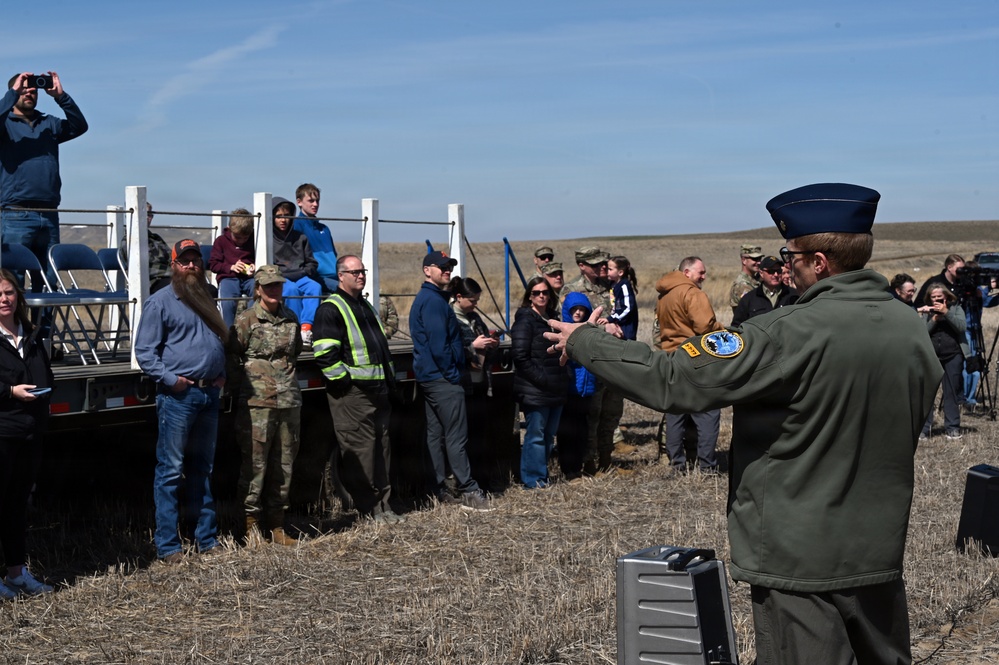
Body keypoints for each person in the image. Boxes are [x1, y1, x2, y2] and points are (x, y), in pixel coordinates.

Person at [545, 183, 942, 665]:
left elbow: (671, 380)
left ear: (818, 262)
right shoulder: (909, 327)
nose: (785, 265)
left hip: (801, 556)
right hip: (878, 547)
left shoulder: (786, 331)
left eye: (789, 254)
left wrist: (587, 342)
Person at [135, 239, 228, 564]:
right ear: (173, 265)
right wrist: (173, 381)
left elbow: (217, 340)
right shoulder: (160, 302)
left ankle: (206, 538)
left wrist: (222, 374)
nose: (191, 266)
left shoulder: (207, 297)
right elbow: (145, 352)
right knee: (171, 470)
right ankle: (168, 546)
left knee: (203, 468)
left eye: (195, 261)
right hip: (179, 397)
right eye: (184, 261)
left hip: (209, 393)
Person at [313, 255, 402, 523]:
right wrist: (345, 382)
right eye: (355, 272)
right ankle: (370, 509)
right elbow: (325, 355)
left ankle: (384, 506)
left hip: (378, 391)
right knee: (360, 454)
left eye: (363, 271)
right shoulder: (331, 308)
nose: (361, 276)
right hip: (354, 396)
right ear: (341, 276)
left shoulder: (364, 306)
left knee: (381, 452)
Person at [409, 251, 491, 510]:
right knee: (456, 436)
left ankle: (438, 488)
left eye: (449, 267)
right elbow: (439, 346)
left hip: (432, 378)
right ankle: (468, 491)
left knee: (436, 435)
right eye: (441, 266)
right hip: (443, 379)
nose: (447, 270)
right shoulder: (433, 302)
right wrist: (453, 375)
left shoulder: (430, 298)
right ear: (427, 270)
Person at [229, 265, 302, 545]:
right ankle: (249, 528)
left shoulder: (290, 318)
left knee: (284, 465)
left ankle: (278, 526)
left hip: (288, 401)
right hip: (256, 404)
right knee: (254, 466)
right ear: (258, 289)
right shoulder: (246, 320)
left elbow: (295, 355)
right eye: (269, 286)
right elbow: (233, 357)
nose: (275, 291)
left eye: (278, 286)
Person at [1, 72, 88, 288]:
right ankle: (15, 323)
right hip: (15, 213)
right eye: (25, 88)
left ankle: (45, 324)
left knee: (50, 280)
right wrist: (13, 93)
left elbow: (79, 126)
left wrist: (60, 96)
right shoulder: (4, 125)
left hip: (49, 214)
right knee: (13, 280)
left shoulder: (49, 123)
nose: (30, 92)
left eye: (34, 90)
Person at [0, 269, 54, 597]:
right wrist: (9, 392)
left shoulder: (30, 333)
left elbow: (45, 372)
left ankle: (16, 574)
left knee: (17, 505)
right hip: (2, 431)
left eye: (8, 292)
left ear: (17, 296)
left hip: (30, 431)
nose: (4, 300)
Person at [654, 256, 724, 473]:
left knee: (675, 414)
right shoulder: (692, 292)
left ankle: (677, 464)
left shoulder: (664, 295)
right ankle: (707, 467)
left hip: (670, 359)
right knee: (708, 412)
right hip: (695, 358)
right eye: (700, 272)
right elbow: (706, 327)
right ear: (686, 272)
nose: (704, 277)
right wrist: (724, 330)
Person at [561, 246, 623, 474]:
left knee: (612, 412)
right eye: (595, 264)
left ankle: (607, 460)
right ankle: (588, 461)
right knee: (591, 416)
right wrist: (602, 326)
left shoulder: (611, 288)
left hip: (613, 361)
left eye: (603, 263)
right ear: (582, 266)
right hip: (590, 363)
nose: (601, 267)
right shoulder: (572, 290)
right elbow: (570, 324)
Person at [511, 276, 567, 488]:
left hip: (556, 387)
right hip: (536, 389)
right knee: (535, 435)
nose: (541, 296)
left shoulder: (553, 319)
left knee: (548, 435)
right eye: (536, 293)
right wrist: (542, 379)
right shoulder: (525, 320)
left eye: (545, 292)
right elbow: (520, 356)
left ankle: (541, 475)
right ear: (529, 296)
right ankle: (533, 480)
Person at [555, 293, 599, 481]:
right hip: (568, 391)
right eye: (574, 309)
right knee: (567, 432)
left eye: (582, 310)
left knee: (582, 431)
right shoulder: (561, 332)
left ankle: (578, 467)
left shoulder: (591, 332)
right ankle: (568, 469)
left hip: (585, 390)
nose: (578, 313)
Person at [917, 284, 966, 440]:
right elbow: (921, 332)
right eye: (934, 297)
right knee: (927, 393)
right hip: (931, 356)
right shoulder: (927, 311)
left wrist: (947, 313)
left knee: (951, 392)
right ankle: (924, 428)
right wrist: (934, 319)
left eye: (940, 297)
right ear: (929, 298)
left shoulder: (955, 308)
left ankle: (952, 427)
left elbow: (962, 327)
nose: (937, 300)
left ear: (946, 296)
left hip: (952, 355)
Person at [272, 198, 322, 345]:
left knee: (315, 287)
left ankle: (306, 329)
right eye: (279, 216)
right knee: (291, 290)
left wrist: (305, 272)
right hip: (281, 278)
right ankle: (295, 328)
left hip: (301, 276)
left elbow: (312, 262)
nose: (283, 220)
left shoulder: (300, 237)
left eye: (286, 216)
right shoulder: (268, 239)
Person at [210, 208, 256, 328]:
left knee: (258, 292)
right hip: (228, 278)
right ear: (230, 230)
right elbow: (213, 265)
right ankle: (227, 332)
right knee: (227, 301)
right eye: (238, 237)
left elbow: (257, 256)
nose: (242, 241)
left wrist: (253, 265)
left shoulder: (254, 240)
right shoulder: (221, 241)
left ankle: (250, 328)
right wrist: (231, 267)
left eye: (245, 238)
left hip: (249, 278)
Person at [293, 183, 339, 294]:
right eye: (311, 201)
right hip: (316, 278)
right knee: (347, 291)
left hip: (335, 276)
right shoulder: (296, 225)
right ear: (299, 202)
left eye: (317, 200)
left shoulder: (324, 229)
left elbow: (334, 256)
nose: (315, 204)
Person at [119, 202, 173, 294]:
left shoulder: (156, 238)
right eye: (145, 214)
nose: (149, 218)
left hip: (171, 277)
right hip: (152, 282)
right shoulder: (128, 241)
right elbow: (141, 267)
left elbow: (171, 257)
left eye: (151, 215)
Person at [731, 255, 798, 326]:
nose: (776, 274)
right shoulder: (749, 299)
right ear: (761, 273)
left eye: (778, 271)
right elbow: (737, 326)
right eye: (771, 271)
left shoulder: (793, 295)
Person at [606, 255, 638, 341]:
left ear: (620, 272)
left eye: (610, 269)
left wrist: (611, 319)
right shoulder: (614, 285)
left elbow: (627, 308)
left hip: (626, 331)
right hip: (618, 327)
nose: (607, 272)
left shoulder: (624, 286)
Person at [729, 244, 764, 313]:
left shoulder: (756, 280)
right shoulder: (742, 285)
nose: (759, 262)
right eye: (755, 259)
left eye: (759, 259)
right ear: (744, 260)